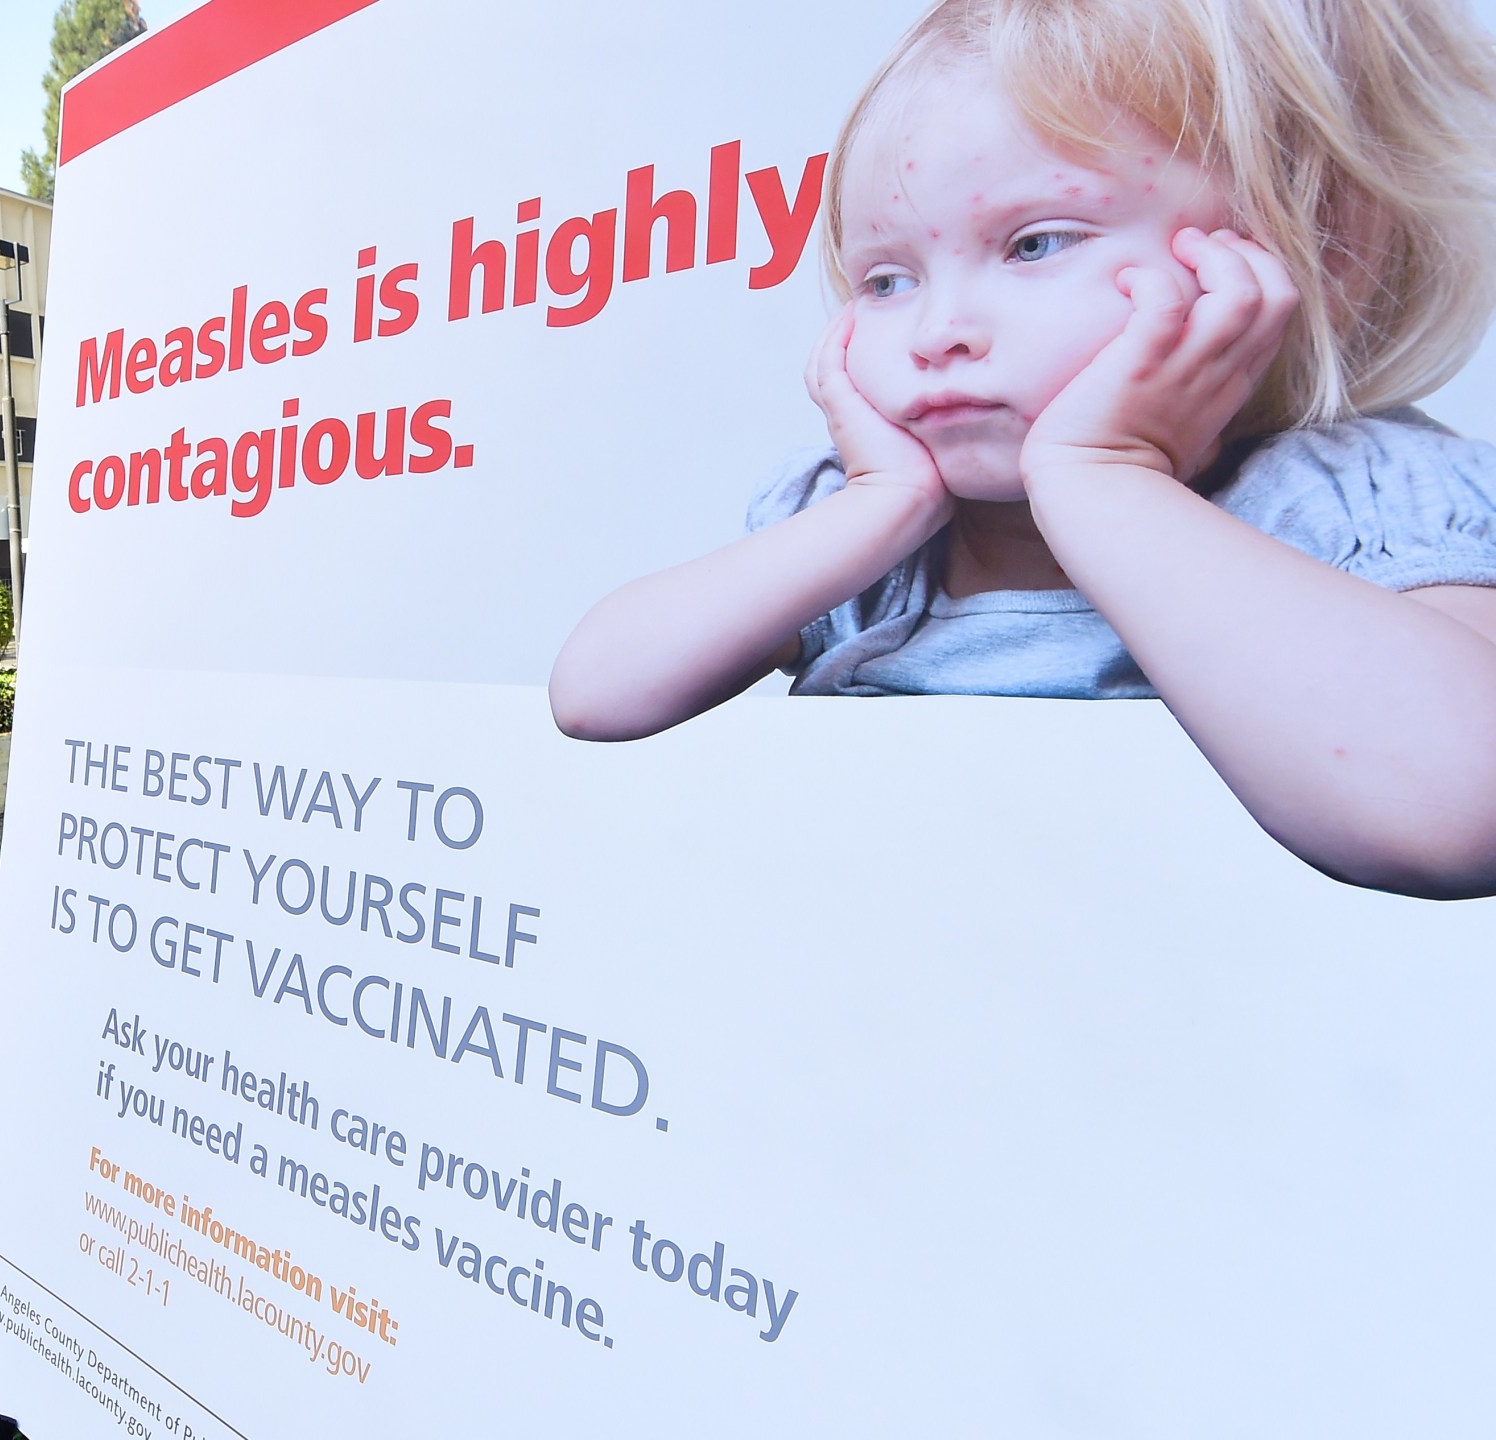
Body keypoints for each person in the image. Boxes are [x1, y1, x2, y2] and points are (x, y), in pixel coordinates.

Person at [548, 0, 1496, 900]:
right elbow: (597, 693)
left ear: (1306, 252)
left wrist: (1106, 482)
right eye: (885, 281)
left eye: (1036, 244)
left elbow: (1456, 808)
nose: (939, 328)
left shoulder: (1356, 500)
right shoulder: (870, 540)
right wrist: (880, 506)